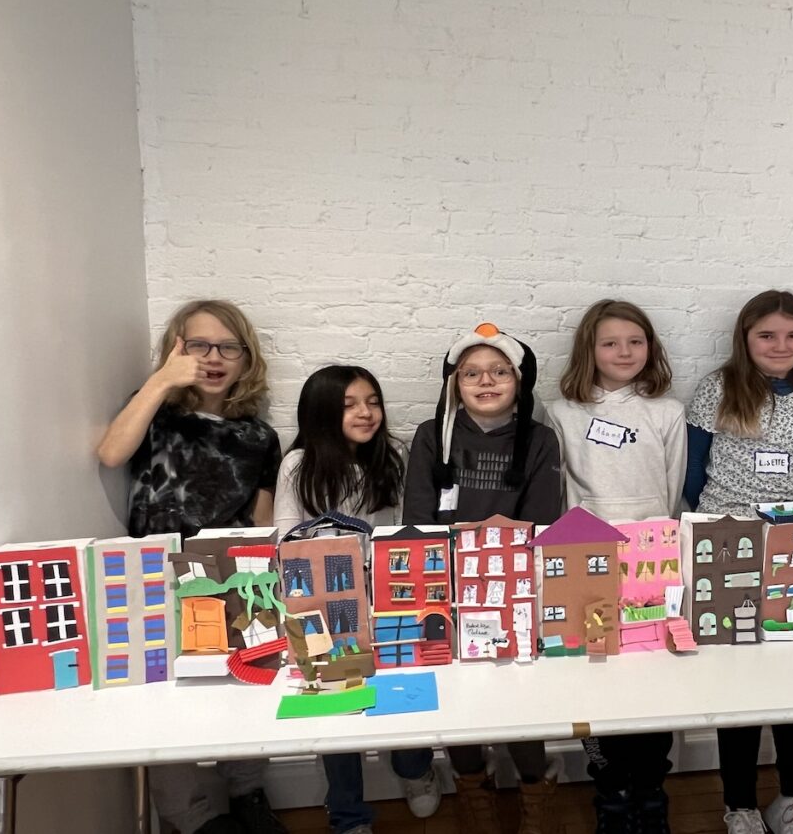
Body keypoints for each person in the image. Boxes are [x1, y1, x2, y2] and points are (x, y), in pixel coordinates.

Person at [96, 299, 285, 834]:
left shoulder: (258, 437)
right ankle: (195, 820)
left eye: (228, 347)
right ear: (176, 350)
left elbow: (260, 519)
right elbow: (111, 453)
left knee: (245, 685)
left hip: (229, 576)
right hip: (152, 577)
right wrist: (161, 382)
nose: (214, 357)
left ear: (246, 359)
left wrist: (261, 585)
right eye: (198, 344)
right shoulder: (156, 411)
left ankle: (249, 792)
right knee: (163, 698)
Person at [684, 291, 793, 834]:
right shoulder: (718, 388)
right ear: (745, 338)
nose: (781, 346)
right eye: (767, 335)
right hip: (726, 541)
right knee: (738, 676)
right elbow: (692, 468)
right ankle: (740, 802)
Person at [403, 323, 562, 834]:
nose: (485, 381)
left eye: (499, 371)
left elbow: (541, 523)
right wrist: (485, 533)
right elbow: (421, 521)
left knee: (520, 695)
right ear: (454, 382)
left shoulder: (539, 440)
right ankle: (473, 785)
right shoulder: (432, 437)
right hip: (448, 587)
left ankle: (535, 789)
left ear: (520, 380)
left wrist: (487, 536)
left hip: (515, 585)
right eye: (471, 373)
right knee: (461, 694)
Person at [273, 365, 440, 834]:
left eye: (372, 401)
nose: (366, 413)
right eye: (349, 404)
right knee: (336, 708)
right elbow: (287, 539)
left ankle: (414, 769)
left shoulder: (394, 456)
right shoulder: (299, 464)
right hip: (323, 609)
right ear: (322, 412)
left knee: (403, 691)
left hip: (389, 600)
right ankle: (347, 812)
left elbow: (409, 527)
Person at [548, 300, 685, 833]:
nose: (624, 352)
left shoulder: (666, 411)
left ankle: (651, 787)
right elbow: (560, 489)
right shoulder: (562, 412)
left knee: (653, 676)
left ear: (650, 347)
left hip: (651, 560)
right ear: (589, 350)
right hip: (587, 560)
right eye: (610, 343)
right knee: (598, 672)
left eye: (635, 341)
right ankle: (611, 786)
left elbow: (672, 490)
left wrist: (659, 546)